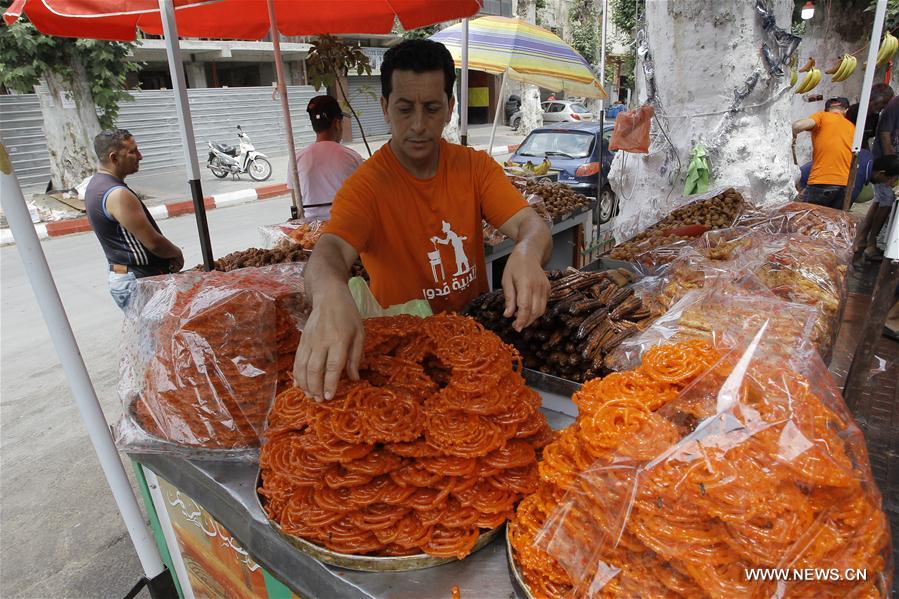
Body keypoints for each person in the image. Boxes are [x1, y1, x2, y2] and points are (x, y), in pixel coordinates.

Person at [293, 39, 552, 401]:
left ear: (450, 107)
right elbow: (330, 251)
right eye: (404, 109)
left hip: (474, 349)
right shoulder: (366, 186)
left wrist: (525, 252)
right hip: (404, 366)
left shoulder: (474, 168)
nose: (418, 125)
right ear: (385, 107)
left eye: (431, 108)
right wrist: (329, 295)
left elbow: (532, 224)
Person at [85, 129, 183, 310]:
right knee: (155, 337)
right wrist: (176, 253)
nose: (140, 156)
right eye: (133, 151)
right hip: (138, 280)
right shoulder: (118, 194)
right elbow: (154, 243)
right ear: (114, 158)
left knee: (151, 336)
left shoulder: (96, 185)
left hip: (124, 275)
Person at [288, 95, 364, 221]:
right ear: (337, 123)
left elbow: (296, 205)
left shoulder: (296, 160)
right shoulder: (353, 157)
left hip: (309, 233)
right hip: (346, 228)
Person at [791, 97, 855, 209]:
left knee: (805, 220)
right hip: (844, 185)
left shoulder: (822, 116)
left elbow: (798, 126)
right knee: (832, 223)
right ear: (846, 110)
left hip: (821, 181)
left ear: (827, 110)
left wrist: (793, 134)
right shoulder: (852, 127)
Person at [845, 83, 894, 150]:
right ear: (874, 101)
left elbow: (866, 139)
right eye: (883, 103)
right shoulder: (853, 112)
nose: (884, 107)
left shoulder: (875, 116)